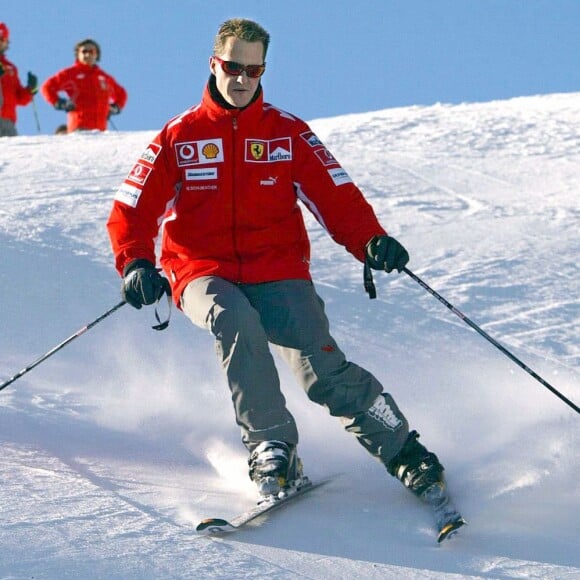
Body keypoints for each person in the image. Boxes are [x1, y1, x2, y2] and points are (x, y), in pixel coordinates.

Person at [107, 18, 464, 539]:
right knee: (234, 322)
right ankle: (272, 447)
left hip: (279, 271)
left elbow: (336, 196)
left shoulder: (287, 132)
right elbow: (131, 208)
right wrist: (137, 262)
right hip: (201, 269)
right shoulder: (180, 136)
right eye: (233, 67)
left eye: (254, 69)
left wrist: (370, 240)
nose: (242, 78)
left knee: (322, 370)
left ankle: (406, 452)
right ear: (214, 64)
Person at [40, 38, 127, 132]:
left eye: (91, 51)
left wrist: (115, 107)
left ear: (96, 54)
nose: (88, 54)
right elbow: (47, 87)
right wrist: (59, 102)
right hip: (79, 128)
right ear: (78, 54)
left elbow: (121, 93)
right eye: (84, 51)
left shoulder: (104, 77)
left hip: (101, 130)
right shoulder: (70, 74)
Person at [0, 22, 38, 137]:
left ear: (7, 42)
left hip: (7, 120)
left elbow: (19, 98)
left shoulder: (11, 68)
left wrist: (31, 89)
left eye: (2, 39)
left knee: (12, 153)